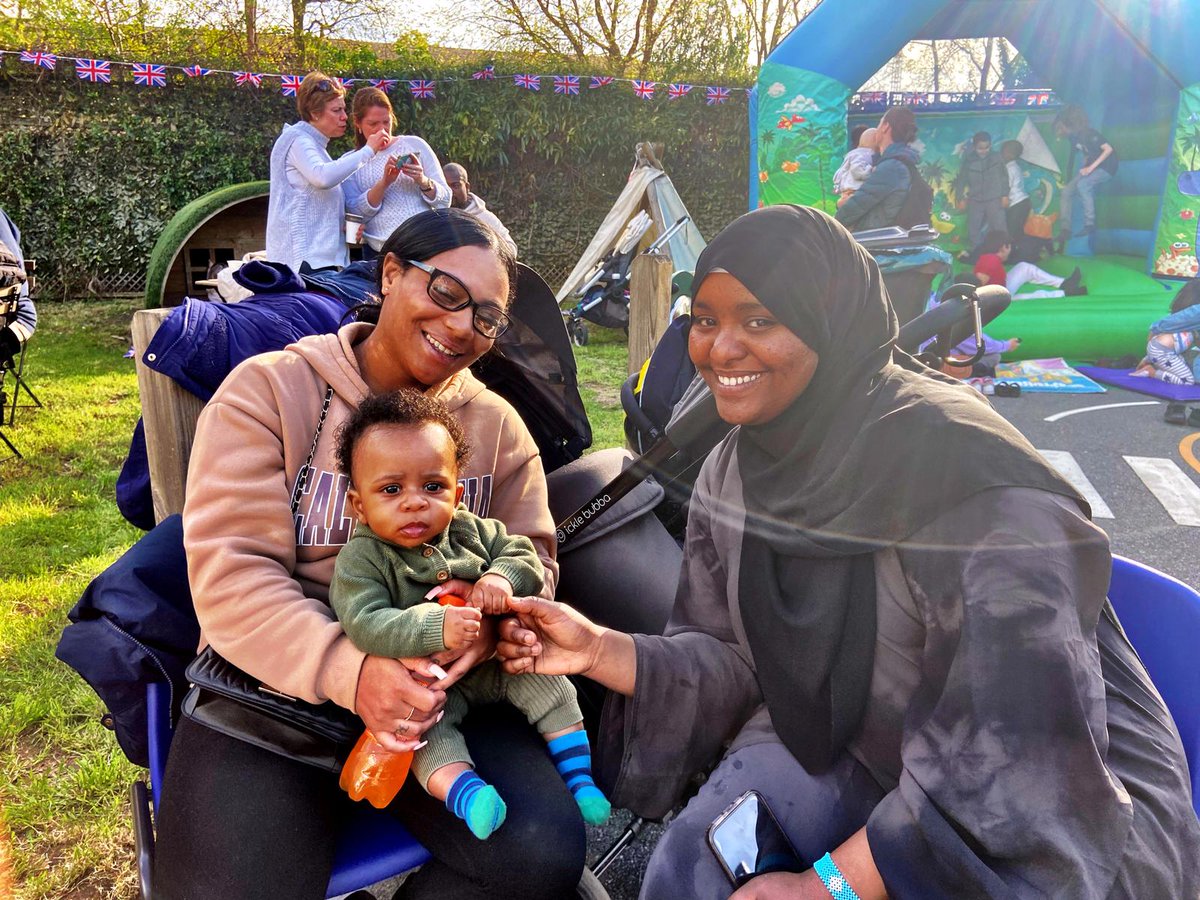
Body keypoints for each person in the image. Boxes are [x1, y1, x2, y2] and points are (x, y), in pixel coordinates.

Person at [497, 205, 1200, 899]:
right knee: (687, 875)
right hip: (859, 736)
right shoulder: (739, 465)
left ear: (831, 321)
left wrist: (825, 886)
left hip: (1058, 812)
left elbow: (1018, 756)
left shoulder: (971, 480)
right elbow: (735, 659)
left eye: (760, 320)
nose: (719, 349)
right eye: (705, 320)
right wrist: (599, 650)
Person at [153, 208, 588, 900]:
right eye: (445, 292)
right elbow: (234, 574)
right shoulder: (270, 392)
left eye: (485, 316)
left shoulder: (497, 428)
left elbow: (533, 554)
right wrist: (352, 673)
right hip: (273, 690)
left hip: (443, 698)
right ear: (389, 273)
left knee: (540, 855)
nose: (460, 326)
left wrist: (489, 629)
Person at [330, 388, 609, 840]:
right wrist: (434, 627)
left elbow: (525, 555)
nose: (414, 502)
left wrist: (500, 578)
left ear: (457, 493)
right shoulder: (362, 560)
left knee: (553, 687)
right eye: (391, 489)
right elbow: (364, 622)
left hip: (498, 662)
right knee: (423, 738)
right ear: (359, 505)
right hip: (432, 686)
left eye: (433, 487)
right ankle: (469, 795)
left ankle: (580, 780)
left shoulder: (471, 529)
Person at [266, 71, 392, 273]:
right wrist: (368, 150)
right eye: (336, 110)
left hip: (321, 263)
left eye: (343, 109)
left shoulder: (317, 148)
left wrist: (343, 226)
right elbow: (322, 177)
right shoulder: (297, 139)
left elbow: (314, 204)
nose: (344, 117)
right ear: (314, 113)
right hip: (304, 265)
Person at [344, 88, 451, 258]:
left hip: (423, 242)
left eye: (386, 122)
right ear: (358, 123)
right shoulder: (350, 161)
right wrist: (384, 183)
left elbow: (445, 200)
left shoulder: (414, 144)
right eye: (373, 124)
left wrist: (423, 181)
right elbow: (355, 214)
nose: (382, 130)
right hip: (380, 250)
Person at [835, 106, 920, 232]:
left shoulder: (891, 167)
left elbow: (856, 206)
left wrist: (835, 218)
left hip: (874, 238)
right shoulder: (900, 162)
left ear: (885, 126)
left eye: (879, 123)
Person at [1054, 104, 1119, 252]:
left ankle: (1090, 224)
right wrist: (1085, 164)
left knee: (1083, 185)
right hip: (1092, 168)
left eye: (1062, 127)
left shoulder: (1090, 134)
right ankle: (1065, 229)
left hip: (1107, 167)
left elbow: (1108, 149)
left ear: (1069, 125)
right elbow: (1087, 152)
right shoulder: (1074, 138)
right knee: (1066, 191)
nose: (1061, 131)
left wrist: (1090, 167)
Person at [974, 230, 1085, 298]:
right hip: (997, 299)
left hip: (1001, 291)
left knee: (1024, 267)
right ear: (1003, 247)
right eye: (1009, 247)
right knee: (1033, 296)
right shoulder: (990, 260)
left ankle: (1065, 283)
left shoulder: (991, 258)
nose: (1010, 251)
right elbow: (978, 285)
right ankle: (1066, 293)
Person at [443, 163, 518, 257]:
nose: (450, 192)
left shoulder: (485, 218)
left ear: (467, 187)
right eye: (445, 187)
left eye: (456, 186)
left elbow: (510, 249)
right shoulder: (435, 218)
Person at [953, 131, 1009, 255]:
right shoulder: (969, 160)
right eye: (980, 148)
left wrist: (1005, 195)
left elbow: (1004, 177)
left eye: (987, 147)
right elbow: (961, 180)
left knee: (999, 226)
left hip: (994, 198)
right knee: (973, 227)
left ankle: (1003, 253)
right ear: (974, 146)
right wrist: (960, 198)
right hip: (975, 199)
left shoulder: (997, 157)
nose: (984, 151)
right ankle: (977, 253)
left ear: (990, 145)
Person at [833, 127, 877, 205]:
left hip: (846, 193)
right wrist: (871, 170)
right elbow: (858, 170)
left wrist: (838, 187)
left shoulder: (850, 155)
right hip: (855, 191)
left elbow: (839, 174)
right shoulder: (864, 155)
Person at [1001, 139, 1030, 240]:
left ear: (1011, 155)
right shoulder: (1015, 167)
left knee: (1011, 234)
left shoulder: (1010, 169)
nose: (1001, 154)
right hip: (1022, 203)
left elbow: (1005, 187)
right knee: (1017, 233)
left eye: (1003, 152)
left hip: (1017, 204)